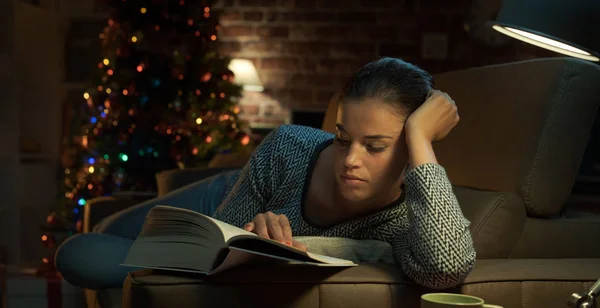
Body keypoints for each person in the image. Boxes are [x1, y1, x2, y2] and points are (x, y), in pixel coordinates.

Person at [55, 57, 475, 291]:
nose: (350, 160)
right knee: (106, 224)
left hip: (253, 197)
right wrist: (246, 231)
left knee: (85, 256)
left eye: (377, 147)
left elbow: (448, 268)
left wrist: (420, 136)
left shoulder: (416, 211)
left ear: (411, 155)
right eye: (343, 139)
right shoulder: (288, 145)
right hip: (233, 189)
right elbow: (214, 236)